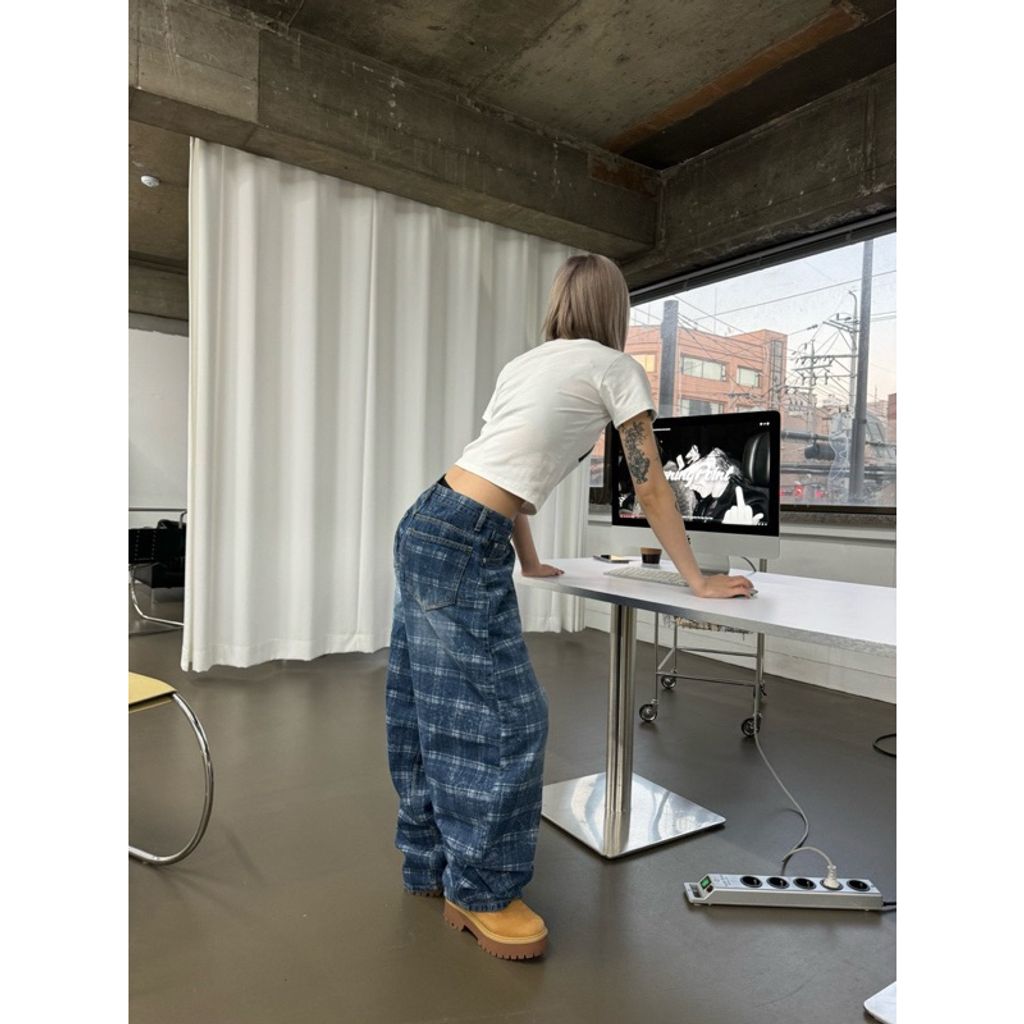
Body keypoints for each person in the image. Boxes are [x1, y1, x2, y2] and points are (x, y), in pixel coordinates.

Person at [385, 254, 753, 961]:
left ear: (560, 303)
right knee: (510, 718)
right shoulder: (616, 368)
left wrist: (527, 560)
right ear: (614, 308)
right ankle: (481, 893)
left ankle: (428, 860)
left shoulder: (527, 364)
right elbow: (650, 485)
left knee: (423, 700)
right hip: (465, 537)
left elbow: (505, 470)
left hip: (430, 516)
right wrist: (698, 580)